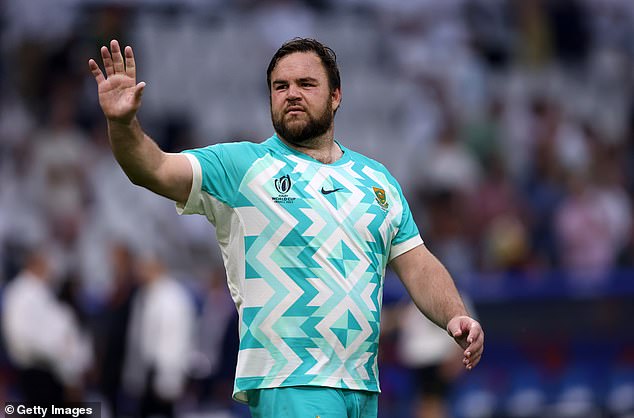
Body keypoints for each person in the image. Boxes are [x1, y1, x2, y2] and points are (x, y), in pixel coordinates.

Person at [88, 37, 484, 418]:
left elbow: (417, 262)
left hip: (362, 386)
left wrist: (454, 315)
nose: (291, 93)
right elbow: (153, 168)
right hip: (291, 380)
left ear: (336, 96)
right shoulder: (243, 167)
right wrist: (123, 126)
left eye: (306, 83)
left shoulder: (377, 182)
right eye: (281, 86)